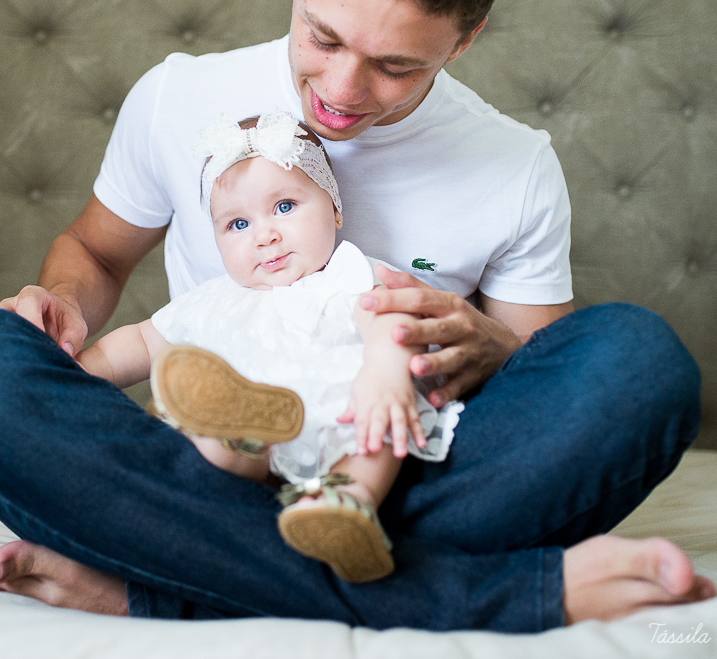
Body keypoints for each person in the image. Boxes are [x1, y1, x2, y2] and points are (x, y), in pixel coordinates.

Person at [0, 0, 716, 631]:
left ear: (465, 38)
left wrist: (495, 346)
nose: (339, 92)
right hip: (207, 466)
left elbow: (547, 382)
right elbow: (96, 252)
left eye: (395, 66)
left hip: (391, 471)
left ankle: (165, 583)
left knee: (640, 361)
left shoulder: (515, 165)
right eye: (322, 37)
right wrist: (60, 310)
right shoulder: (179, 96)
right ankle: (485, 595)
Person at [76, 110, 467, 584]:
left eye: (284, 206)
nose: (265, 235)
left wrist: (383, 368)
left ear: (335, 208)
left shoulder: (346, 273)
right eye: (237, 224)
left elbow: (387, 316)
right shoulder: (215, 299)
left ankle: (348, 507)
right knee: (209, 438)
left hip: (335, 415)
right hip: (253, 448)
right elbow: (140, 341)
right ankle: (242, 432)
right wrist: (71, 373)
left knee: (378, 416)